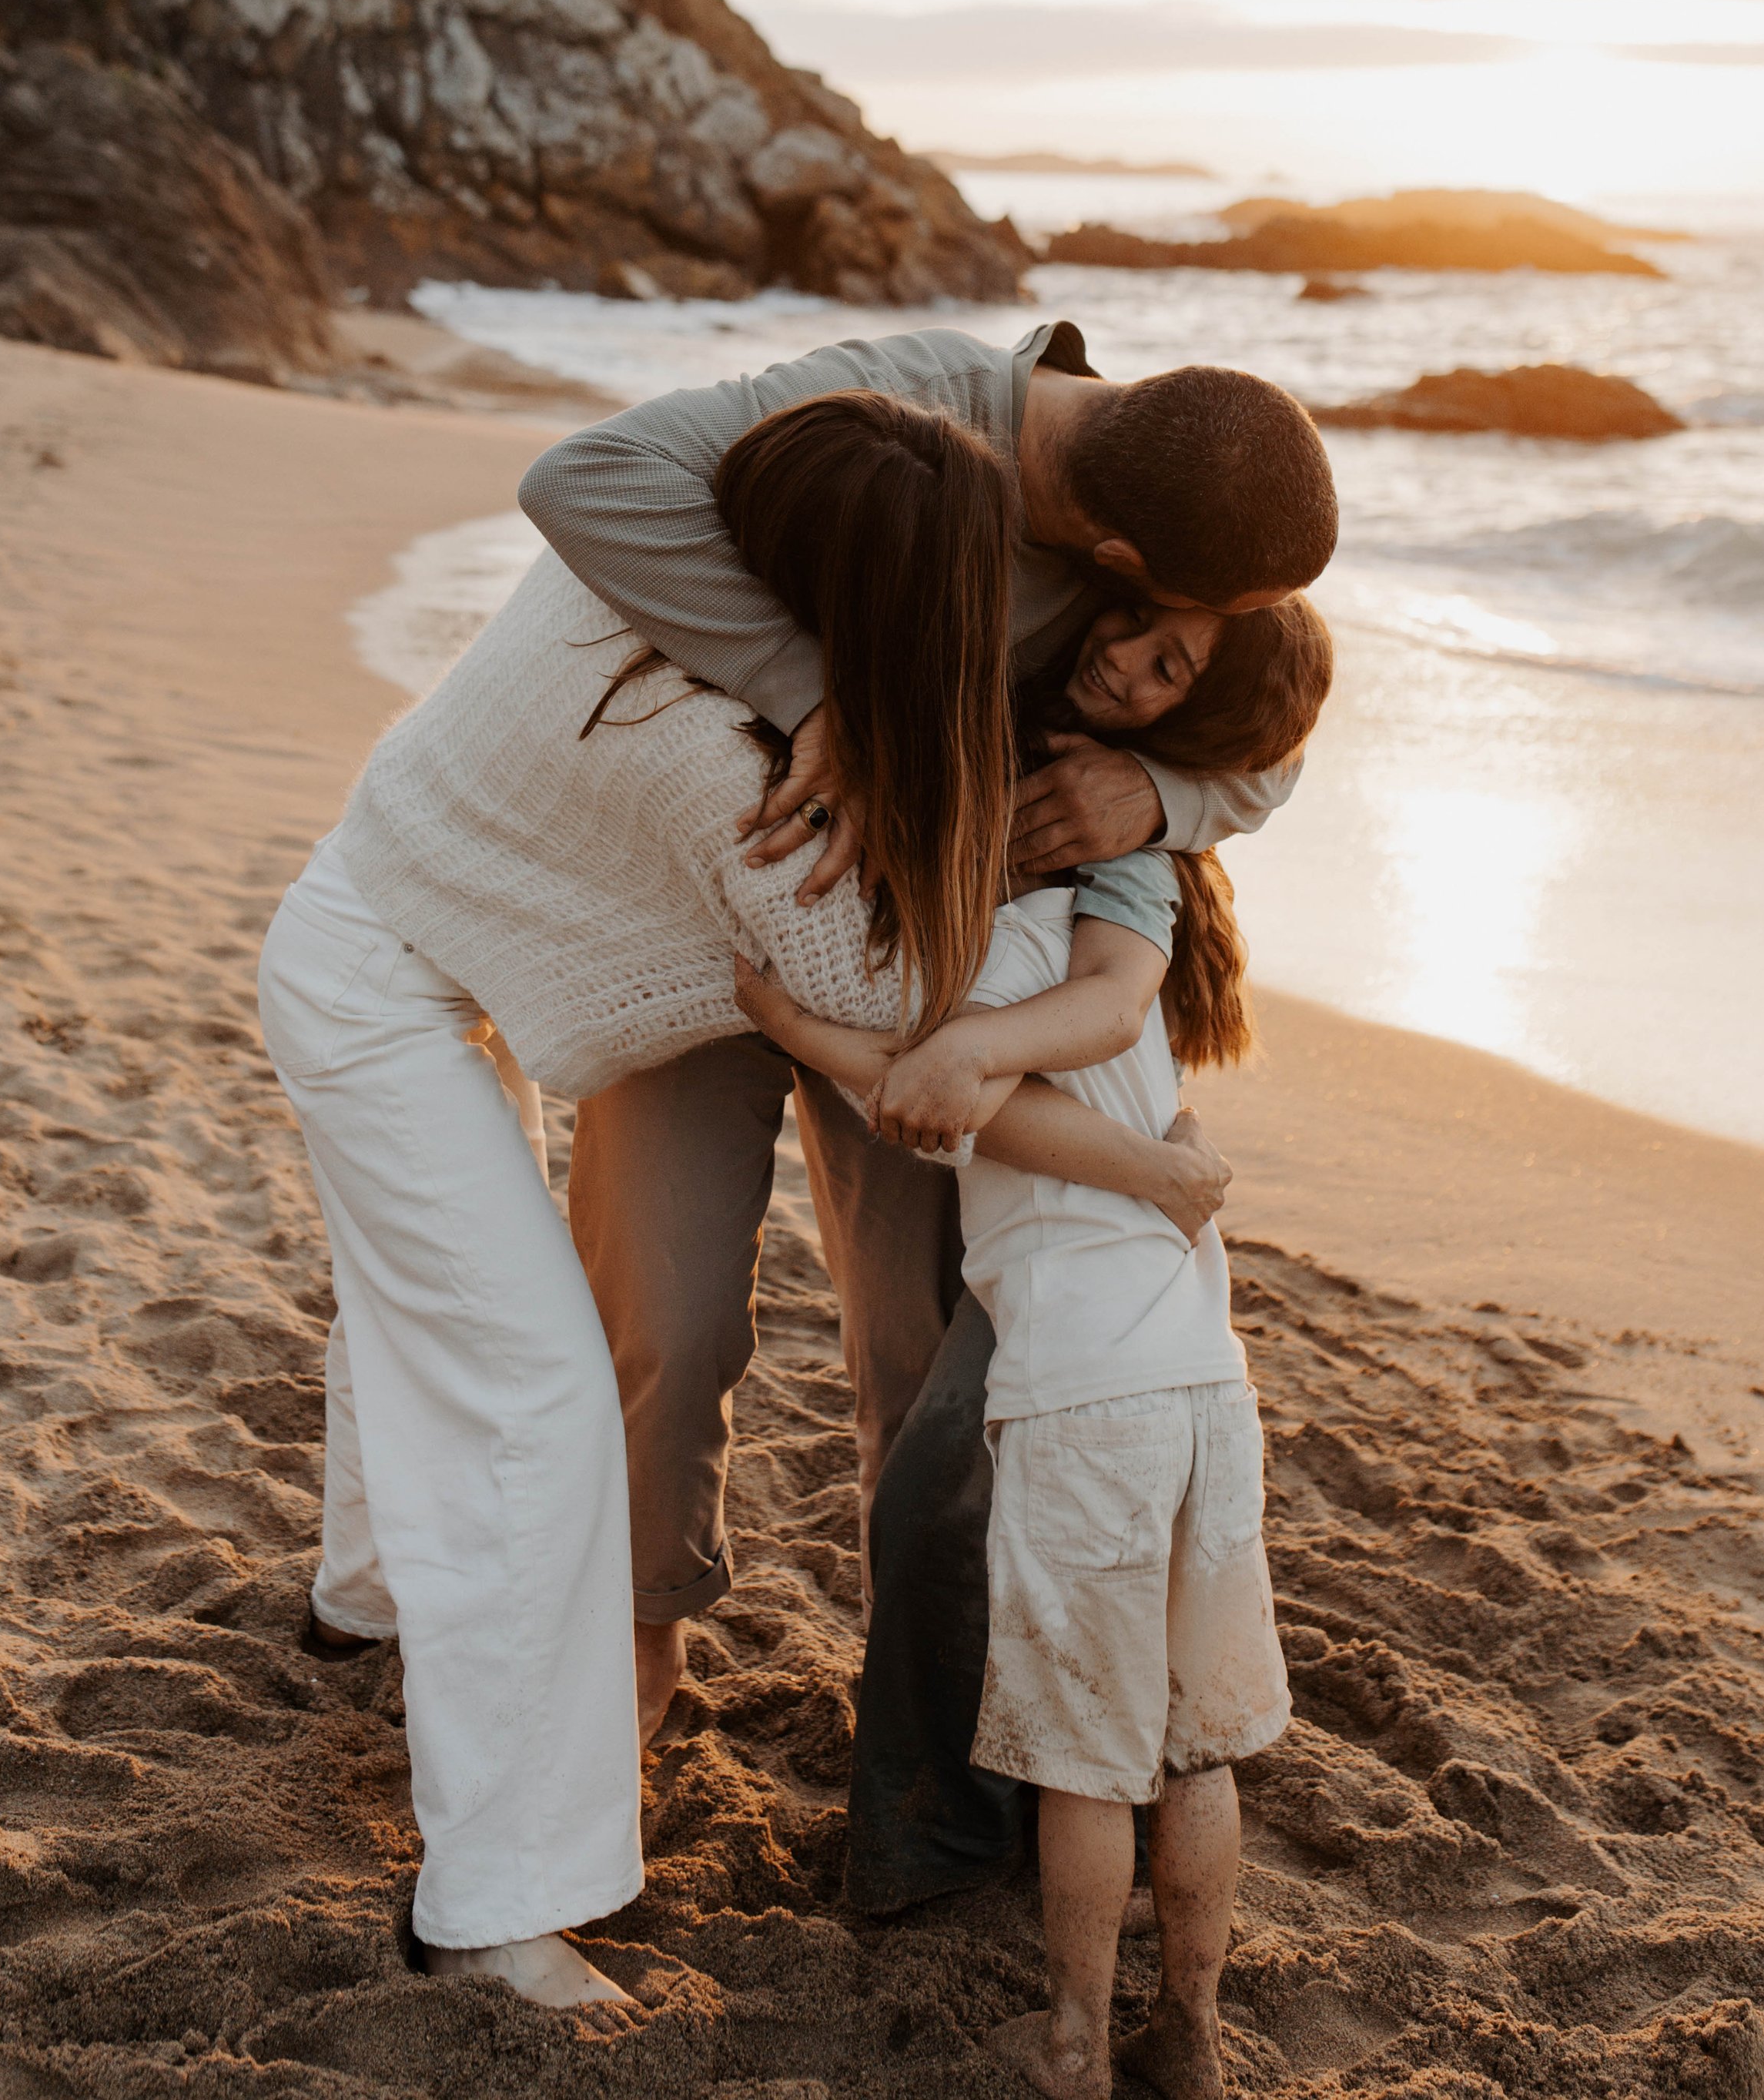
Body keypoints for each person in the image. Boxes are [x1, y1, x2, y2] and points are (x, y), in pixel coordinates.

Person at [255, 390, 1231, 2012]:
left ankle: (363, 1590)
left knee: (429, 1282)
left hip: (422, 903)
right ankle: (493, 1905)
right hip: (382, 994)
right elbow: (889, 1002)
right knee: (537, 1393)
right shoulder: (715, 772)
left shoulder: (638, 592)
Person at [517, 322, 1337, 1737]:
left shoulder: (1173, 513)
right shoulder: (902, 402)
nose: (1149, 652)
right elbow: (585, 481)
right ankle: (641, 1636)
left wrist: (1166, 802)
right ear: (1124, 563)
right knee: (664, 1306)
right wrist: (813, 689)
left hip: (922, 965)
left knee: (929, 1340)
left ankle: (930, 1697)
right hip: (699, 919)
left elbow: (1273, 718)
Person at [733, 693, 1310, 2100]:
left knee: (1083, 1761)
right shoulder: (1113, 958)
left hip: (1076, 1409)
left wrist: (787, 1020)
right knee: (1194, 1747)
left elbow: (915, 1092)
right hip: (1205, 1390)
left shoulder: (959, 978)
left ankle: (1074, 2044)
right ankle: (1194, 2031)